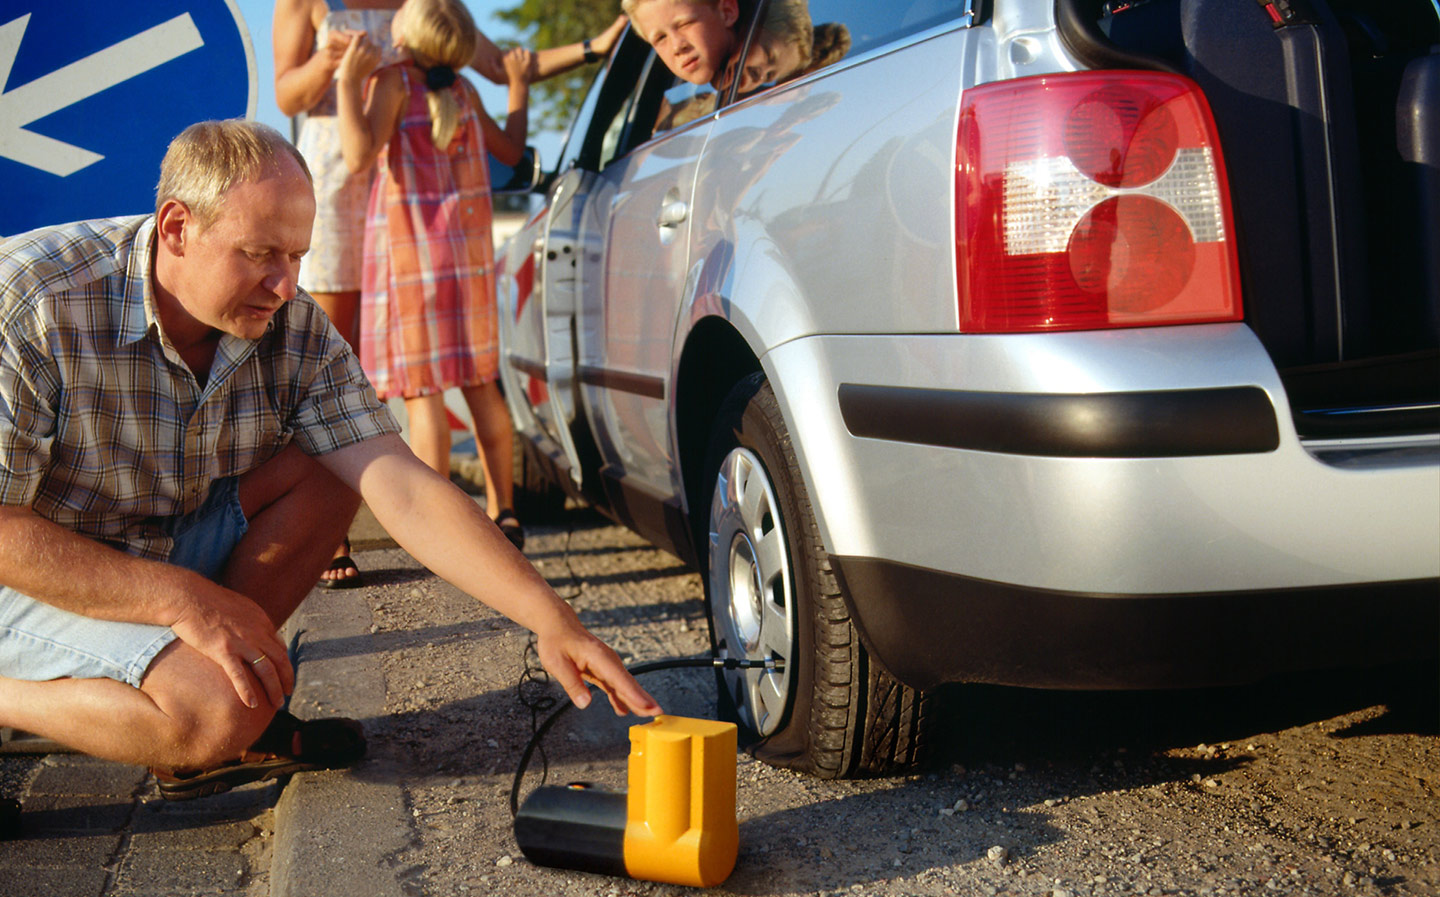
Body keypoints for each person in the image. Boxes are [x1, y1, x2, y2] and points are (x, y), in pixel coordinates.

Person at [0, 120, 660, 811]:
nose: (285, 286)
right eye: (260, 255)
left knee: (331, 466)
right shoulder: (37, 302)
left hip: (144, 539)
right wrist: (181, 598)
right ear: (175, 229)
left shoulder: (295, 326)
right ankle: (166, 704)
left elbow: (401, 486)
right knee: (215, 712)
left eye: (297, 256)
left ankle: (222, 694)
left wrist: (551, 618)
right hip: (28, 570)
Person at [273, 0, 627, 584]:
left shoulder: (429, 20)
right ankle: (331, 532)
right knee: (332, 368)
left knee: (416, 378)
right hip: (340, 179)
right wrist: (331, 69)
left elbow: (505, 61)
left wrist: (595, 46)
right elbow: (288, 96)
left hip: (398, 196)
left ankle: (430, 523)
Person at [334, 0, 529, 551]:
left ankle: (441, 530)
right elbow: (510, 152)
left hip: (412, 259)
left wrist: (349, 82)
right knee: (479, 383)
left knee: (424, 396)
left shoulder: (392, 83)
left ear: (410, 33)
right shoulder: (463, 91)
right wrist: (516, 88)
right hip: (467, 262)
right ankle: (504, 510)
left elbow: (357, 155)